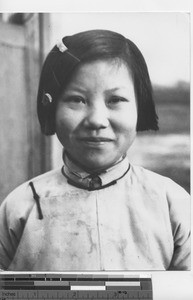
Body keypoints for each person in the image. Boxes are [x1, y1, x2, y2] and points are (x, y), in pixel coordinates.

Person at [0, 29, 190, 271]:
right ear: (51, 107)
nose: (97, 120)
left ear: (140, 107)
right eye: (77, 100)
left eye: (115, 100)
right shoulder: (19, 207)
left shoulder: (173, 204)